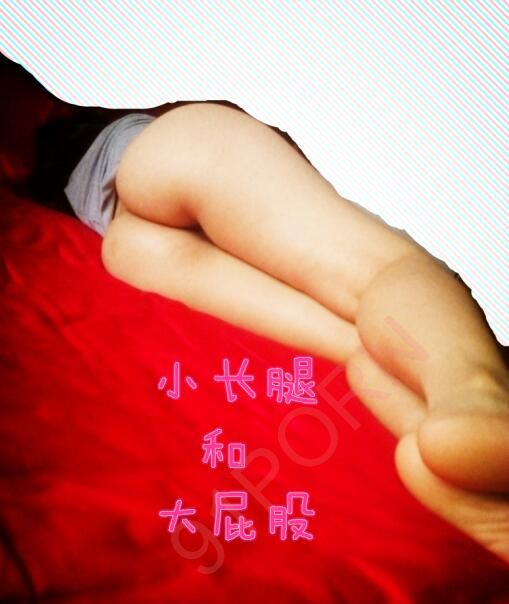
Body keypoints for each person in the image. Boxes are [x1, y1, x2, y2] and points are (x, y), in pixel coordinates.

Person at [32, 103, 509, 561]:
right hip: (131, 221)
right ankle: (463, 418)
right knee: (369, 295)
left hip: (122, 201)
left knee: (363, 308)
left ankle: (474, 400)